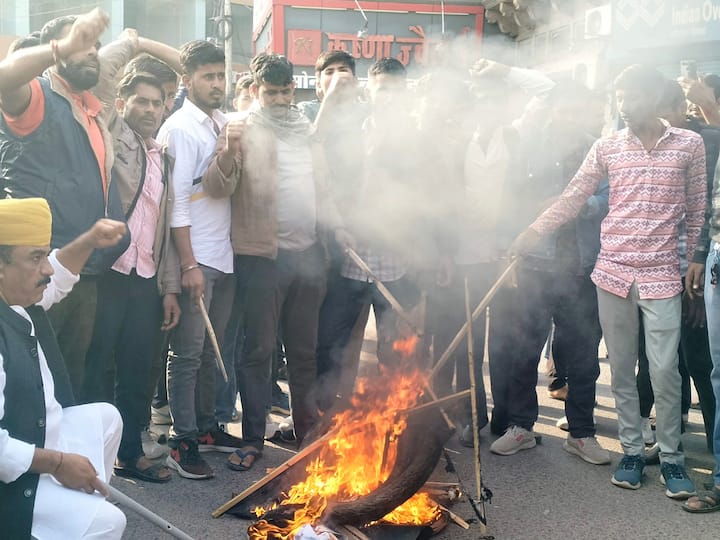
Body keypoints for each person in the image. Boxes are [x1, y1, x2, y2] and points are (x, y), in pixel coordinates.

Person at [512, 65, 706, 499]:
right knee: (619, 367)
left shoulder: (689, 145)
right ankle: (632, 451)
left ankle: (672, 458)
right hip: (613, 272)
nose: (624, 105)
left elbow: (696, 211)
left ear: (654, 99)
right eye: (619, 97)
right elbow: (574, 196)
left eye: (632, 97)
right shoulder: (608, 147)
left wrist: (693, 260)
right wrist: (532, 232)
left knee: (664, 368)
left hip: (661, 275)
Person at [203, 53, 345, 470]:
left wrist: (339, 227)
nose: (281, 99)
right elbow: (215, 185)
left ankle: (307, 434)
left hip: (309, 257)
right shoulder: (241, 129)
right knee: (259, 352)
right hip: (263, 259)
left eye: (286, 91)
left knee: (304, 353)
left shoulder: (308, 132)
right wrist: (228, 150)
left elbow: (325, 190)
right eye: (272, 92)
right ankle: (252, 440)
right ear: (255, 92)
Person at [0, 9, 130, 399]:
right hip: (37, 266)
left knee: (64, 380)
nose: (90, 53)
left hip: (80, 267)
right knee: (25, 383)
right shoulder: (40, 95)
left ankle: (56, 457)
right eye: (81, 46)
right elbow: (3, 78)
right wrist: (61, 47)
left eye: (95, 47)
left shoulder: (89, 110)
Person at [487, 81, 610, 465]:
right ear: (552, 109)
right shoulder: (527, 148)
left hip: (583, 267)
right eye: (566, 109)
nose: (571, 117)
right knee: (524, 350)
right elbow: (508, 202)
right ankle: (522, 427)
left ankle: (581, 433)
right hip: (535, 264)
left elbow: (613, 198)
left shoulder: (601, 148)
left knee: (584, 357)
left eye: (579, 109)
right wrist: (506, 250)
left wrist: (581, 203)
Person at [0, 197, 127, 539]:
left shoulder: (14, 294)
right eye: (35, 257)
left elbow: (59, 276)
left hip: (36, 435)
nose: (47, 269)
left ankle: (71, 509)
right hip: (11, 480)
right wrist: (58, 463)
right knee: (108, 522)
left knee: (106, 418)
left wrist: (89, 240)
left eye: (45, 254)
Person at [82, 68, 183, 483]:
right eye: (140, 100)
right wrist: (134, 40)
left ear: (164, 108)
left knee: (139, 369)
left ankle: (127, 454)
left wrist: (170, 288)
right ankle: (88, 459)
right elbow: (102, 80)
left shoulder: (164, 157)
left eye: (156, 102)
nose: (149, 109)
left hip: (147, 278)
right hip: (109, 271)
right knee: (97, 368)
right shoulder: (112, 137)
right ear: (122, 104)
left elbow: (166, 226)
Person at [157, 39, 242, 480]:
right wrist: (188, 265)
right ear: (187, 80)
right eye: (207, 76)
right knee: (187, 353)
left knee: (212, 349)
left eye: (219, 75)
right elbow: (175, 205)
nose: (216, 83)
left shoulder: (222, 123)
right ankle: (181, 438)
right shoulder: (179, 129)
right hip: (198, 258)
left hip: (224, 255)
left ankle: (207, 428)